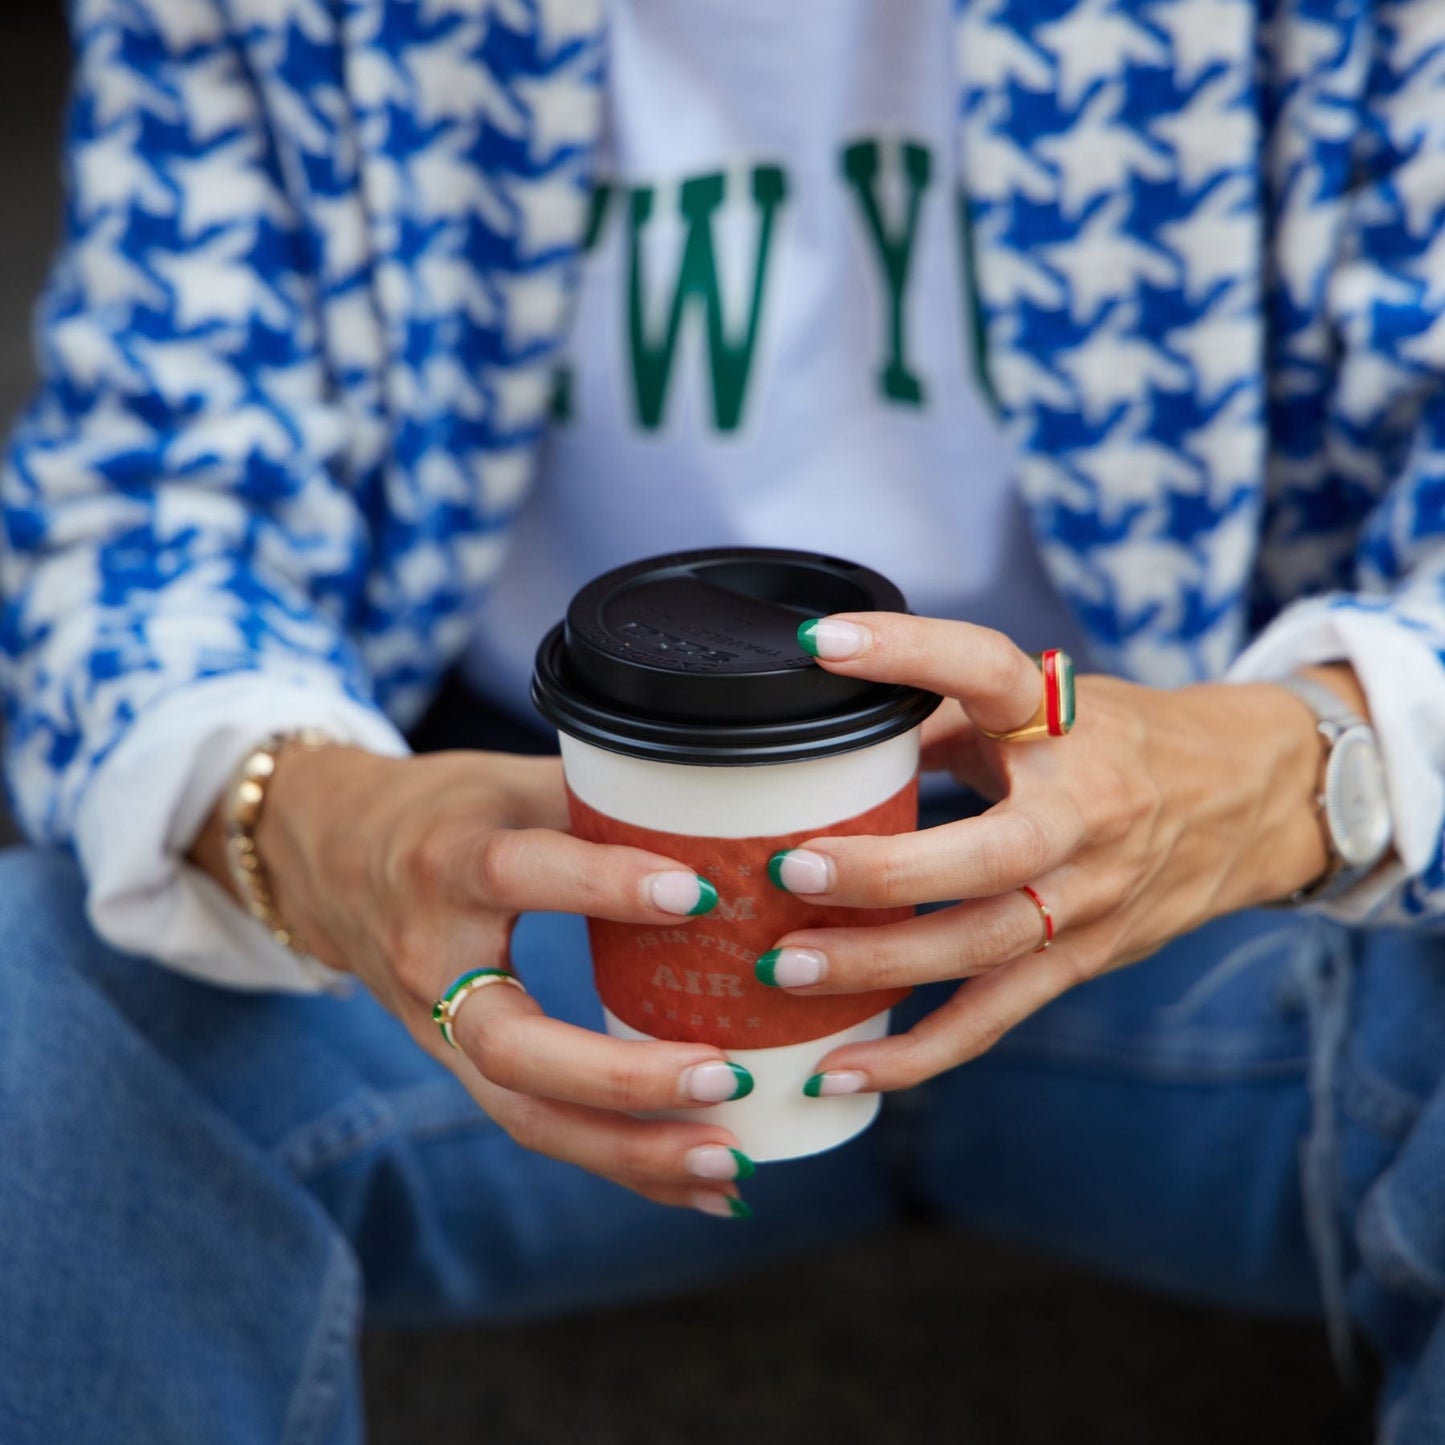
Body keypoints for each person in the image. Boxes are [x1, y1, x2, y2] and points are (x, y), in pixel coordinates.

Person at [2, 0, 1443, 1441]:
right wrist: (307, 822)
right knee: (33, 1028)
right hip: (546, 897)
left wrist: (1304, 767)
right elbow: (139, 511)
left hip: (1222, 925)